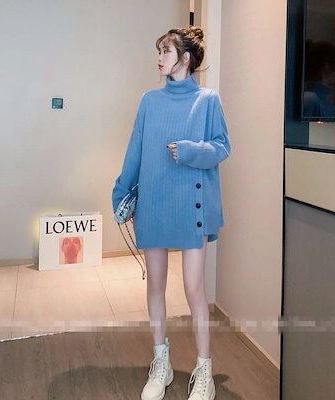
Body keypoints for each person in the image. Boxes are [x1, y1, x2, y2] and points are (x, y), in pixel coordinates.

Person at [111, 26, 231, 400]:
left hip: (192, 204)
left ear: (186, 58)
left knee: (194, 287)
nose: (159, 58)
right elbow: (135, 150)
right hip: (155, 201)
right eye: (159, 51)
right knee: (155, 285)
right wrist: (121, 191)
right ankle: (160, 363)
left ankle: (204, 369)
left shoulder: (208, 100)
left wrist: (191, 150)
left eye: (166, 51)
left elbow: (222, 147)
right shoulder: (149, 101)